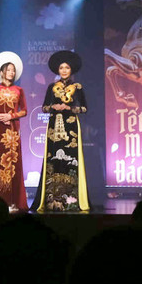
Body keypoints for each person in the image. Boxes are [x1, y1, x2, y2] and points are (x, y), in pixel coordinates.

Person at [32, 50, 90, 211]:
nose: (64, 70)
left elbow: (84, 108)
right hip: (54, 127)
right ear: (58, 70)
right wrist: (53, 107)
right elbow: (44, 107)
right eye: (61, 68)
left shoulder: (77, 87)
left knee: (71, 159)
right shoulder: (52, 87)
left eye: (67, 68)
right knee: (53, 159)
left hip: (70, 126)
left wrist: (69, 108)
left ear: (71, 70)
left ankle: (71, 200)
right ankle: (52, 200)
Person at [0, 51, 28, 211]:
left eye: (13, 70)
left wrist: (11, 116)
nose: (12, 72)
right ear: (2, 71)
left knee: (13, 163)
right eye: (9, 69)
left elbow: (24, 110)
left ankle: (14, 201)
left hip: (13, 129)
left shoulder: (19, 90)